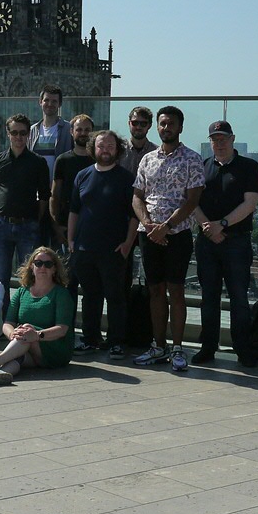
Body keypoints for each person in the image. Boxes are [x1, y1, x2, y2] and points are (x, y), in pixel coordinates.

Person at [131, 106, 205, 372]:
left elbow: (193, 199)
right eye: (162, 124)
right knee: (154, 290)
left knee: (176, 291)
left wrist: (166, 226)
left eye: (171, 124)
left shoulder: (192, 159)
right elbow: (137, 196)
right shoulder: (147, 159)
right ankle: (158, 346)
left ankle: (177, 348)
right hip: (148, 234)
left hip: (178, 234)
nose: (166, 128)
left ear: (180, 127)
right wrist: (150, 225)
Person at [190, 120, 258, 367]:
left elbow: (250, 203)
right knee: (208, 297)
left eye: (223, 138)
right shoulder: (202, 167)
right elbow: (192, 202)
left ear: (233, 139)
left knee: (239, 299)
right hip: (207, 241)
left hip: (236, 241)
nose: (219, 143)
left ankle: (243, 350)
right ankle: (207, 347)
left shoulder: (249, 166)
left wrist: (222, 224)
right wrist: (207, 227)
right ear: (210, 142)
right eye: (214, 139)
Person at [68, 129, 138, 359]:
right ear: (93, 148)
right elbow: (74, 210)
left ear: (117, 150)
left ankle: (117, 341)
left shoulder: (126, 178)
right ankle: (90, 338)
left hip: (114, 248)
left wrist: (128, 243)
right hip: (84, 247)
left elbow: (134, 215)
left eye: (110, 145)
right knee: (89, 295)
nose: (105, 149)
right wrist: (70, 240)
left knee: (115, 296)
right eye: (101, 145)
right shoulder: (83, 175)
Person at [0, 247, 76, 384]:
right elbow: (8, 323)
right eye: (38, 263)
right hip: (26, 343)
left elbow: (62, 329)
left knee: (26, 330)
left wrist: (37, 335)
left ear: (54, 269)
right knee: (18, 355)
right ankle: (2, 374)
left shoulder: (61, 294)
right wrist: (13, 334)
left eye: (48, 264)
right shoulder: (22, 291)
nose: (42, 267)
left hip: (54, 348)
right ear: (32, 267)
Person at [0, 113, 51, 290]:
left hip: (28, 225)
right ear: (8, 134)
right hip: (2, 225)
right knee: (0, 276)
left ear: (28, 135)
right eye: (15, 133)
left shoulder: (38, 162)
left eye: (23, 133)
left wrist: (34, 219)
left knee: (29, 275)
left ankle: (24, 314)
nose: (19, 137)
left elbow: (44, 195)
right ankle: (4, 317)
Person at [50, 114, 95, 249]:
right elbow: (55, 195)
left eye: (87, 130)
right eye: (79, 129)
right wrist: (56, 225)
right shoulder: (63, 160)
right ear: (71, 132)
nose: (83, 133)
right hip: (66, 224)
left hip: (92, 225)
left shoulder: (99, 161)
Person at [29, 84, 72, 176]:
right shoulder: (32, 130)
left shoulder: (68, 129)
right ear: (40, 102)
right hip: (36, 187)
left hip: (59, 185)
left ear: (59, 104)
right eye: (46, 100)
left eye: (54, 101)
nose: (50, 104)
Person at [118, 106, 158, 178]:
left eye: (143, 124)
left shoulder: (158, 153)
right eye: (135, 123)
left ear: (149, 126)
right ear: (129, 123)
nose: (138, 127)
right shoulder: (118, 150)